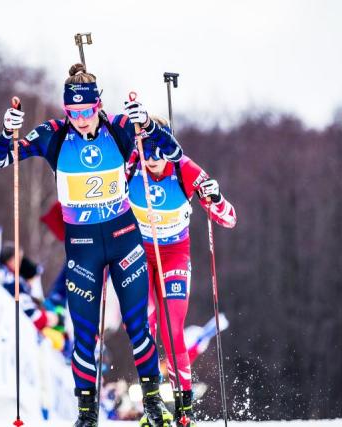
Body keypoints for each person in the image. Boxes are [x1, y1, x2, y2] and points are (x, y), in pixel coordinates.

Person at [0, 63, 182, 427]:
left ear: (98, 106)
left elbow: (172, 153)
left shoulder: (121, 128)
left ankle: (154, 407)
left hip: (125, 240)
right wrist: (7, 130)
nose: (79, 118)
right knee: (85, 334)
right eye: (72, 112)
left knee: (138, 326)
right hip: (83, 248)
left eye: (85, 111)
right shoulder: (53, 135)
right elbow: (0, 159)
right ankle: (86, 413)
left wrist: (149, 126)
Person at [127, 117, 237, 424]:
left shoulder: (185, 169)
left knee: (172, 328)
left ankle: (184, 409)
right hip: (138, 254)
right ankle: (152, 405)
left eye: (159, 153)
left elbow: (229, 219)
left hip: (174, 255)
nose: (154, 161)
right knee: (141, 327)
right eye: (147, 153)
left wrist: (215, 199)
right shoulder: (131, 165)